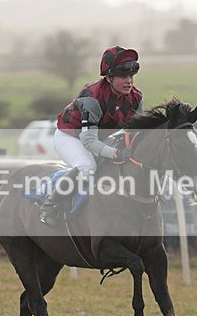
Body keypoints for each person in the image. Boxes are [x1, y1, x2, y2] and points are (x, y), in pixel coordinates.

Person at [39, 45, 144, 226]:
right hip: (69, 137)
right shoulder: (93, 97)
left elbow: (137, 131)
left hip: (97, 138)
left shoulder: (135, 97)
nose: (129, 82)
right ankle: (49, 206)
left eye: (131, 76)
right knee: (87, 167)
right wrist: (116, 153)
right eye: (123, 77)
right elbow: (88, 141)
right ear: (109, 78)